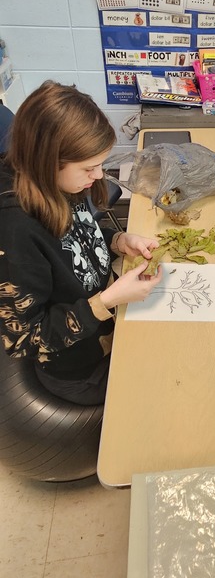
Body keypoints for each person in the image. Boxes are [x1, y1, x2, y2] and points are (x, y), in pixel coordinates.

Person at [0, 81, 163, 405]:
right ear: (48, 162)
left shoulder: (59, 185)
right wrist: (105, 301)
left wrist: (117, 240)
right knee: (160, 395)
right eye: (89, 168)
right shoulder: (17, 233)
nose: (100, 176)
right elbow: (24, 340)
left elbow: (72, 242)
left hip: (107, 327)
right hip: (78, 368)